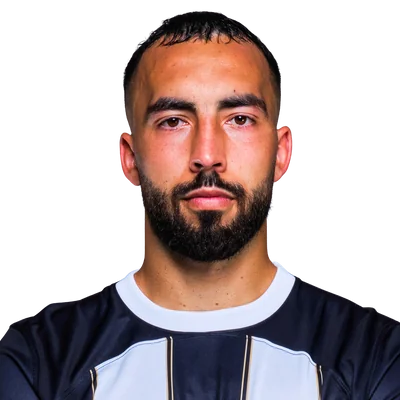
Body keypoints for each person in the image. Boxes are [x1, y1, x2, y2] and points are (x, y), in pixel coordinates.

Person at [1, 9, 399, 400]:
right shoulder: (35, 362)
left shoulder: (377, 357)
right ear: (129, 158)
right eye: (173, 120)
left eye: (239, 119)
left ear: (282, 154)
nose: (207, 155)